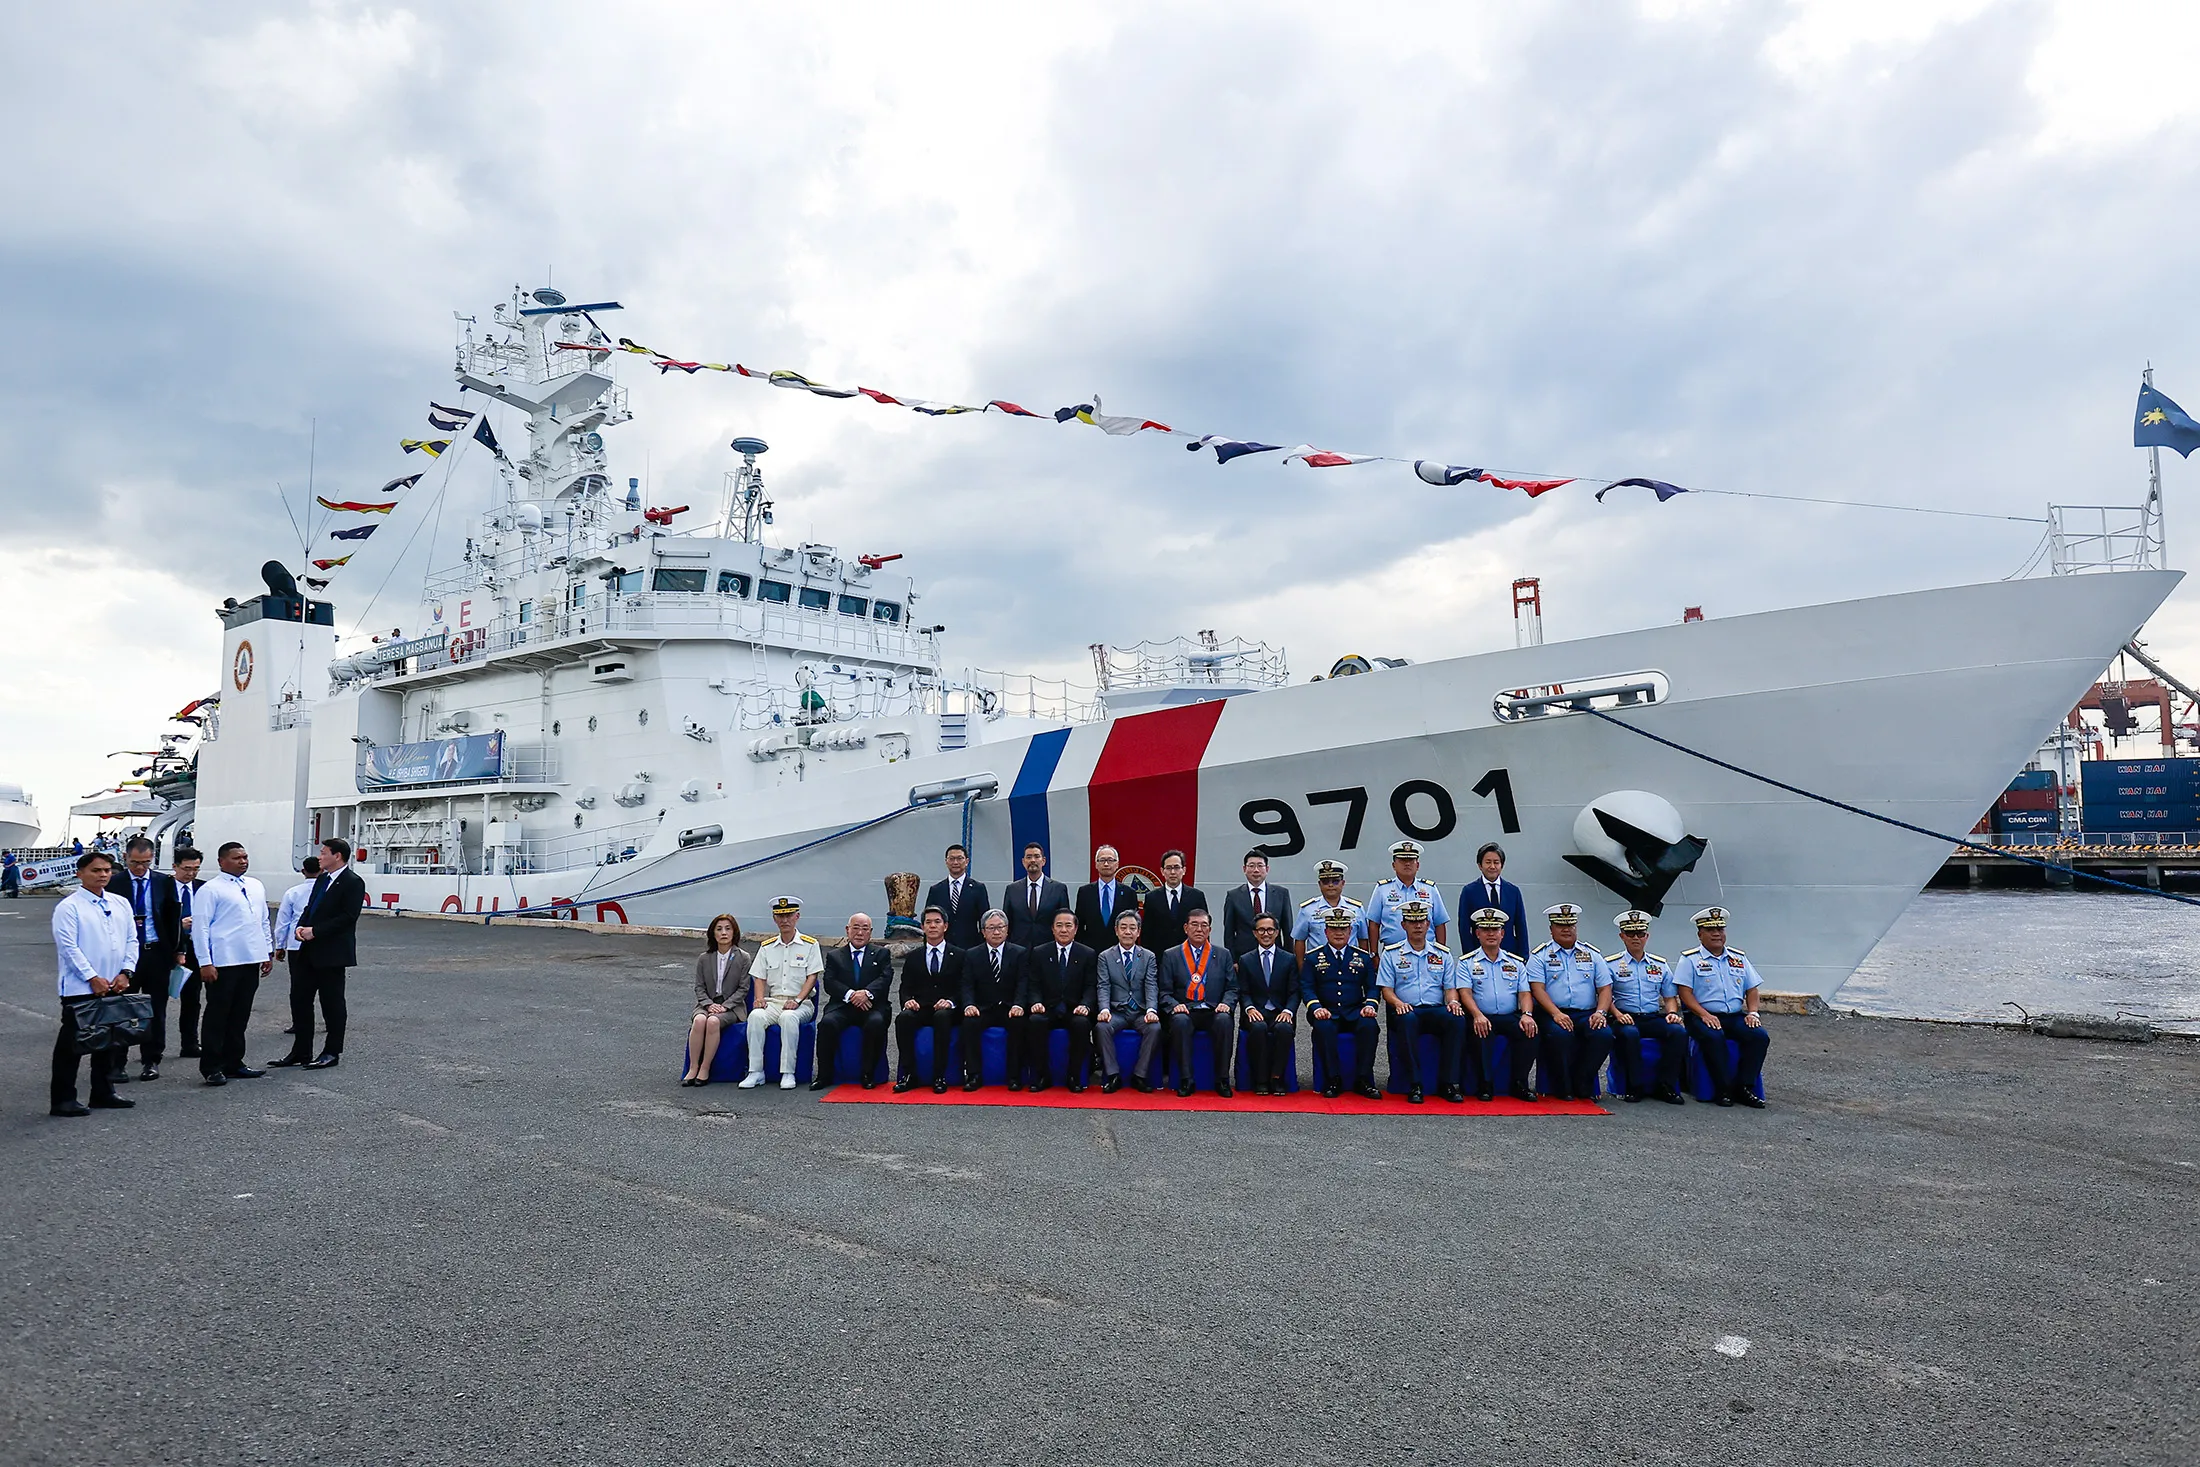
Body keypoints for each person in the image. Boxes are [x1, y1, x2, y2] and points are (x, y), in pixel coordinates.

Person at [50, 850, 138, 1116]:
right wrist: (92, 977)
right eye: (96, 871)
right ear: (80, 873)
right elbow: (69, 947)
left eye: (107, 871)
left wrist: (126, 972)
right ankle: (63, 1099)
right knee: (73, 1044)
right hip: (82, 986)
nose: (102, 875)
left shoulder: (120, 902)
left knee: (110, 1040)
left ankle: (103, 1091)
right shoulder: (69, 907)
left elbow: (131, 940)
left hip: (115, 982)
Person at [193, 841, 273, 1087]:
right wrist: (205, 961)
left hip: (250, 957)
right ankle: (211, 1066)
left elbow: (262, 919)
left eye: (245, 857)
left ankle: (234, 1061)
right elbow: (201, 927)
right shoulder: (210, 889)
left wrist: (267, 951)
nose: (243, 861)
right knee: (218, 1014)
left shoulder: (255, 886)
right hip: (223, 960)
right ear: (221, 861)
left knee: (240, 1014)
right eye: (237, 858)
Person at [1676, 907, 1770, 1108]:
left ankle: (1745, 1087)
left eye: (1720, 929)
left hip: (1734, 1016)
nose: (1717, 934)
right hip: (1699, 1016)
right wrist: (1704, 1014)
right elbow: (1685, 993)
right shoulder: (1690, 960)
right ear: (1700, 934)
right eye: (1710, 930)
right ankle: (1723, 1089)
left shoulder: (1739, 958)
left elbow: (1752, 989)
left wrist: (1753, 1012)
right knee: (1714, 1037)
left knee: (1760, 1037)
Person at [286, 838, 365, 1068]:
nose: (319, 857)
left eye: (323, 853)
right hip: (308, 950)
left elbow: (348, 917)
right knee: (299, 1001)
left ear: (337, 856)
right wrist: (300, 927)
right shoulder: (322, 879)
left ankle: (331, 1052)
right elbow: (310, 908)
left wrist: (315, 932)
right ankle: (301, 1051)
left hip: (332, 953)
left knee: (332, 1004)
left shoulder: (353, 882)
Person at [1377, 899, 1465, 1103]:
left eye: (1421, 921)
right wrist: (1398, 1003)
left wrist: (1453, 1002)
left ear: (1428, 925)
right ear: (1403, 925)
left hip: (1435, 1009)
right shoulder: (1391, 954)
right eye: (1412, 921)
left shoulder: (1442, 954)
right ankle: (1415, 1084)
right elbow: (1386, 990)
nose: (1417, 926)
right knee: (1407, 1020)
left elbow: (1450, 989)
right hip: (1406, 1010)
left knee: (1457, 1020)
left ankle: (1449, 1083)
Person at [1525, 903, 1614, 1102]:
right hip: (1552, 1012)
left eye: (1570, 925)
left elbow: (1605, 988)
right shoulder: (1540, 956)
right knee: (1560, 1035)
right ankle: (1563, 1085)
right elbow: (1537, 989)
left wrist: (1600, 1012)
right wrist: (1556, 1013)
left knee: (1604, 1034)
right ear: (1551, 929)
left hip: (1586, 1013)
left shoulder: (1592, 954)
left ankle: (1582, 1081)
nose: (1566, 929)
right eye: (1560, 925)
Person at [1457, 907, 1539, 1102]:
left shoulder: (1516, 963)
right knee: (1481, 1033)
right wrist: (1477, 1015)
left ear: (1503, 934)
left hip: (1509, 1016)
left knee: (1530, 1033)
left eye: (1495, 930)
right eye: (1485, 930)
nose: (1491, 934)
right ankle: (1484, 1084)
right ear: (1477, 934)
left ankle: (1519, 1083)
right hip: (1481, 1015)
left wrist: (1527, 1014)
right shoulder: (1466, 962)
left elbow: (1525, 993)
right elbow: (1465, 993)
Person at [1607, 909, 1688, 1104]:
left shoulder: (1659, 965)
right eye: (1631, 934)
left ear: (1647, 936)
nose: (1636, 938)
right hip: (1623, 1016)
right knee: (1630, 1034)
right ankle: (1634, 1086)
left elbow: (1669, 996)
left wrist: (1672, 1014)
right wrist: (1617, 1014)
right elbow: (1605, 996)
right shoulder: (1610, 964)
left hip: (1651, 1016)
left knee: (1678, 1032)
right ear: (1622, 936)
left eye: (1640, 934)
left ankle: (1665, 1085)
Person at [118, 835, 182, 1081]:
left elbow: (172, 917)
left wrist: (178, 950)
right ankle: (118, 1061)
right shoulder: (115, 883)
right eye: (135, 862)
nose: (140, 868)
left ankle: (151, 1059)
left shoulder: (162, 882)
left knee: (156, 1009)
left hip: (155, 951)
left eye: (145, 862)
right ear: (126, 858)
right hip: (126, 956)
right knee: (122, 1008)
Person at [740, 897, 822, 1089]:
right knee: (756, 1016)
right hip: (774, 1001)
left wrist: (798, 999)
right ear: (774, 919)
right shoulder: (767, 947)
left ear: (797, 917)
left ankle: (788, 1072)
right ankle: (755, 1071)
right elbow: (759, 976)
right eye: (780, 916)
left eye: (789, 915)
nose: (785, 920)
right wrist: (759, 999)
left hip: (802, 1003)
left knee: (788, 1018)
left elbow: (812, 977)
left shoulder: (810, 945)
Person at [1303, 907, 1381, 1099]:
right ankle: (1333, 1079)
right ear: (1326, 932)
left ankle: (1362, 1079)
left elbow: (1372, 986)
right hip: (1326, 1011)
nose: (1339, 933)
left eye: (1343, 929)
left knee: (1370, 1026)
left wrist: (1370, 1005)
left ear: (1350, 931)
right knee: (1324, 1028)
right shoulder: (1313, 957)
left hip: (1355, 1010)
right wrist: (1316, 1007)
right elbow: (1307, 987)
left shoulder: (1362, 957)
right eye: (1334, 929)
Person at [1017, 908, 1098, 1091]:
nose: (1063, 930)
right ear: (1052, 929)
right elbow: (1034, 984)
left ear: (1076, 929)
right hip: (1048, 1007)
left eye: (1068, 925)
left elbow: (1090, 986)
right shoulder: (1039, 952)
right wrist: (1036, 1001)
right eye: (1059, 926)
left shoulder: (1087, 953)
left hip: (1074, 1008)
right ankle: (1042, 1076)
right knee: (1035, 1021)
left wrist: (1085, 1005)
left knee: (1082, 1024)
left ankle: (1074, 1076)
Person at [813, 912, 894, 1090]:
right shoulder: (835, 956)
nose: (859, 933)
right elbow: (830, 982)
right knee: (827, 1024)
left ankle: (868, 1074)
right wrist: (852, 995)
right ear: (847, 930)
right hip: (843, 1005)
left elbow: (885, 977)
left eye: (864, 929)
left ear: (870, 932)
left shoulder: (881, 954)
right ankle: (824, 1075)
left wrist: (866, 993)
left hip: (872, 1005)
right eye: (855, 928)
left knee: (875, 1023)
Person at [1159, 908, 1235, 1097]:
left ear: (1209, 929)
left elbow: (1233, 988)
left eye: (1204, 925)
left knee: (1225, 1020)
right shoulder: (1171, 955)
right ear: (1186, 928)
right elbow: (1164, 992)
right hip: (1186, 1009)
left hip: (1213, 1009)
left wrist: (1226, 1003)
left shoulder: (1223, 954)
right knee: (1180, 1021)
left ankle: (1222, 1079)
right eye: (1194, 924)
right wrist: (1174, 1005)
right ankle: (1186, 1079)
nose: (1199, 929)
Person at [895, 907, 963, 1092]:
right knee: (904, 1019)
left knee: (942, 1017)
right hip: (922, 1007)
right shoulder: (914, 957)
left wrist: (950, 1001)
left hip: (948, 1010)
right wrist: (908, 1000)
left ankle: (939, 1075)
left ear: (945, 926)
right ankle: (909, 1074)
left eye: (937, 922)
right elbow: (905, 986)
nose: (933, 926)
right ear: (923, 927)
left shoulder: (958, 955)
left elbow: (964, 987)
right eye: (928, 922)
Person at [1093, 907, 1161, 1093]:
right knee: (1102, 1027)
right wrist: (1104, 1009)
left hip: (1140, 1011)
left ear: (1138, 932)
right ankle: (1113, 1075)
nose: (1128, 932)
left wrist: (1151, 1010)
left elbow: (1151, 985)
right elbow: (1103, 985)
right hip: (1118, 1011)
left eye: (1132, 928)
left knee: (1155, 1028)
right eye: (1123, 927)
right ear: (1116, 930)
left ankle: (1140, 1075)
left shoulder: (1148, 957)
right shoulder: (1105, 956)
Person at [958, 909, 1026, 1090]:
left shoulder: (1019, 953)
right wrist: (969, 1004)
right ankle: (974, 1075)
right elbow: (967, 984)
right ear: (983, 931)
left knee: (1019, 1023)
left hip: (1009, 1007)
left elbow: (1023, 982)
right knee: (969, 1023)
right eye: (991, 928)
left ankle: (1014, 1076)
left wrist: (1019, 1004)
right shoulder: (972, 954)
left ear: (1007, 929)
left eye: (1000, 927)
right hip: (983, 1008)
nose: (996, 932)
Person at [1234, 912, 1299, 1095]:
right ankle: (1261, 1080)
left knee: (1284, 1029)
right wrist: (1249, 1008)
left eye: (1270, 929)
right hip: (1257, 1011)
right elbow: (1243, 991)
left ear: (1277, 932)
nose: (1266, 934)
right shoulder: (1246, 960)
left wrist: (1288, 1011)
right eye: (1261, 930)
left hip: (1280, 1011)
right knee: (1258, 1028)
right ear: (1254, 933)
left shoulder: (1289, 959)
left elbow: (1294, 992)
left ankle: (1276, 1078)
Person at [268, 856, 321, 1064]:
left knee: (299, 990)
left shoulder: (294, 892)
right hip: (319, 942)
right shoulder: (327, 889)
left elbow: (283, 921)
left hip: (297, 944)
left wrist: (279, 945)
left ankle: (299, 1026)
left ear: (302, 871)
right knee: (324, 988)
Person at [684, 914, 749, 1086]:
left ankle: (705, 1068)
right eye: (719, 929)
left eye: (728, 928)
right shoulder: (704, 958)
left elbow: (743, 989)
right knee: (699, 1020)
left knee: (712, 1022)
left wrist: (725, 1007)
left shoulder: (743, 957)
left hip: (732, 1008)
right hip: (707, 1004)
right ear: (713, 934)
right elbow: (699, 987)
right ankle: (693, 1067)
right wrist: (708, 1004)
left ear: (734, 932)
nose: (724, 933)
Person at [1363, 840, 1449, 951]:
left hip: (1426, 951)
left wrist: (1440, 951)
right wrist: (1374, 953)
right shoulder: (1382, 889)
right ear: (1394, 865)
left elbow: (1439, 923)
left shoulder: (1430, 889)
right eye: (1402, 860)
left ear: (1417, 865)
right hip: (1392, 952)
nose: (1407, 864)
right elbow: (1374, 924)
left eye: (1411, 860)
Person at [1461, 842, 1529, 961]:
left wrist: (1523, 957)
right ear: (1479, 865)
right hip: (1479, 955)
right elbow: (1464, 928)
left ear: (1501, 865)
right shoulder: (1469, 891)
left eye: (1496, 862)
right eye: (1488, 862)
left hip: (1509, 955)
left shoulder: (1513, 891)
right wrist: (1469, 957)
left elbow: (1520, 926)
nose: (1492, 866)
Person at [170, 848, 206, 1060]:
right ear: (175, 867)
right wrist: (178, 926)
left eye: (196, 869)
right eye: (186, 869)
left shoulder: (203, 888)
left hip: (194, 948)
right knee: (154, 998)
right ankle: (151, 1046)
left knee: (192, 998)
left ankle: (190, 1043)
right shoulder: (164, 887)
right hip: (168, 947)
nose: (191, 873)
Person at [1222, 850, 1293, 957]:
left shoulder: (1281, 894)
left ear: (1267, 869)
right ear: (1244, 869)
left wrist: (1289, 957)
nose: (1256, 870)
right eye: (1251, 866)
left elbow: (1287, 929)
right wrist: (1233, 960)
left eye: (1260, 866)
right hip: (1243, 957)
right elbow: (1229, 932)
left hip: (1275, 956)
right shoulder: (1233, 896)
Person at [1002, 842, 1070, 949]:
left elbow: (1064, 921)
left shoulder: (1059, 889)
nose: (1033, 860)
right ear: (1023, 862)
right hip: (1019, 949)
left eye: (1036, 856)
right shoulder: (1012, 889)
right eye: (1029, 857)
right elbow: (1007, 922)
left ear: (1043, 861)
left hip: (1048, 949)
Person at [1291, 860, 1365, 959]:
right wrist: (1302, 969)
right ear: (1319, 884)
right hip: (1317, 965)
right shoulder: (1307, 909)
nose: (1330, 885)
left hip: (1350, 966)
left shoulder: (1356, 908)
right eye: (1326, 882)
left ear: (1343, 883)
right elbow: (1299, 941)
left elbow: (1363, 939)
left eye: (1335, 881)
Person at [1139, 849, 1207, 954]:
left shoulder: (1196, 896)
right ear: (1162, 871)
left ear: (1184, 870)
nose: (1173, 872)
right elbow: (1147, 933)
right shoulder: (1152, 898)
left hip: (1189, 955)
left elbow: (1204, 928)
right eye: (1169, 868)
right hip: (1160, 956)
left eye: (1176, 867)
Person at [1073, 844, 1138, 950]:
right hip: (1091, 951)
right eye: (1102, 860)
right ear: (1096, 864)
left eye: (1110, 860)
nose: (1106, 864)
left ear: (1117, 864)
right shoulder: (1085, 892)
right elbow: (1079, 925)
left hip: (1119, 950)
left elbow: (1133, 925)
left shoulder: (1128, 893)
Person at [924, 844, 988, 949]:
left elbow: (984, 921)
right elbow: (928, 919)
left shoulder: (978, 888)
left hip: (970, 947)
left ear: (967, 861)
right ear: (946, 861)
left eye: (959, 858)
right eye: (952, 859)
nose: (955, 862)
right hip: (943, 947)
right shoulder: (936, 890)